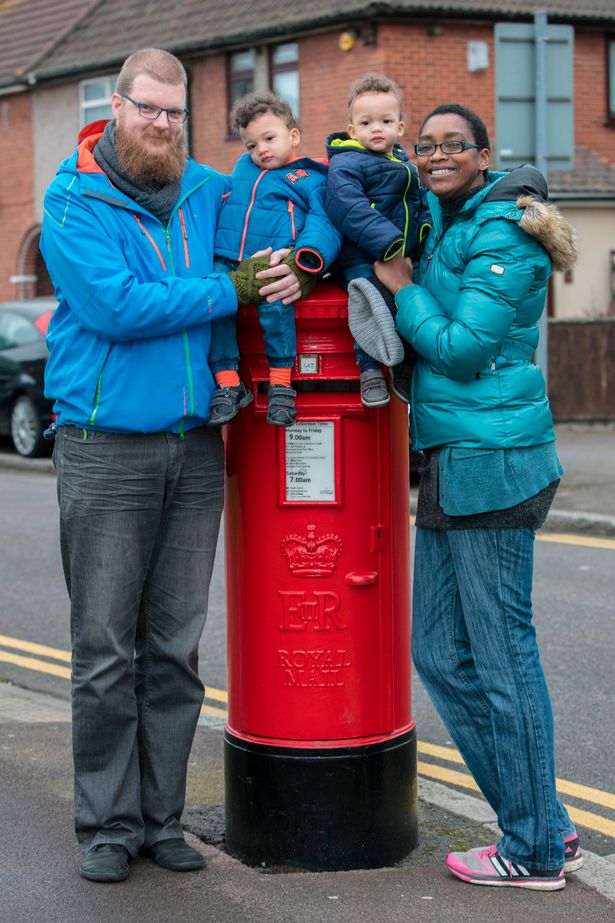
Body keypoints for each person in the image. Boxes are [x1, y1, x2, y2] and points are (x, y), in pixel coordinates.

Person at [40, 48, 302, 884]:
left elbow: (283, 211)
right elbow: (117, 306)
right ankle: (108, 825)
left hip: (195, 442)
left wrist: (327, 245)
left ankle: (162, 820)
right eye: (147, 108)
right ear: (115, 106)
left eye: (174, 112)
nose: (161, 124)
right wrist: (234, 291)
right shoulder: (71, 199)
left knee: (175, 648)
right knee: (107, 648)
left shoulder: (205, 189)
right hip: (103, 442)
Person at [374, 103, 581, 891]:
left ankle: (529, 849)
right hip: (452, 462)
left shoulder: (503, 234)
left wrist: (401, 290)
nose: (433, 156)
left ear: (484, 154)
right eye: (424, 146)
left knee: (503, 659)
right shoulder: (446, 218)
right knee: (435, 647)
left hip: (496, 462)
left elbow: (460, 349)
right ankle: (542, 821)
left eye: (450, 145)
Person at [207, 91, 341, 427]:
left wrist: (306, 258)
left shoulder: (311, 178)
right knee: (213, 300)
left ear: (293, 136)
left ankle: (281, 383)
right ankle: (228, 383)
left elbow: (324, 222)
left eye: (269, 138)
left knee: (276, 303)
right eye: (251, 145)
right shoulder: (243, 168)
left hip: (275, 259)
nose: (261, 150)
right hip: (227, 257)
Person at [324, 73, 430, 407]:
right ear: (352, 130)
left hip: (400, 253)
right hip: (361, 256)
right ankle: (369, 368)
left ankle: (403, 365)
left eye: (385, 121)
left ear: (400, 127)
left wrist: (424, 230)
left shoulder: (405, 164)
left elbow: (420, 201)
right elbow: (349, 206)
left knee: (411, 305)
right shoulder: (345, 164)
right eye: (366, 122)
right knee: (372, 303)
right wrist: (391, 245)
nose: (377, 128)